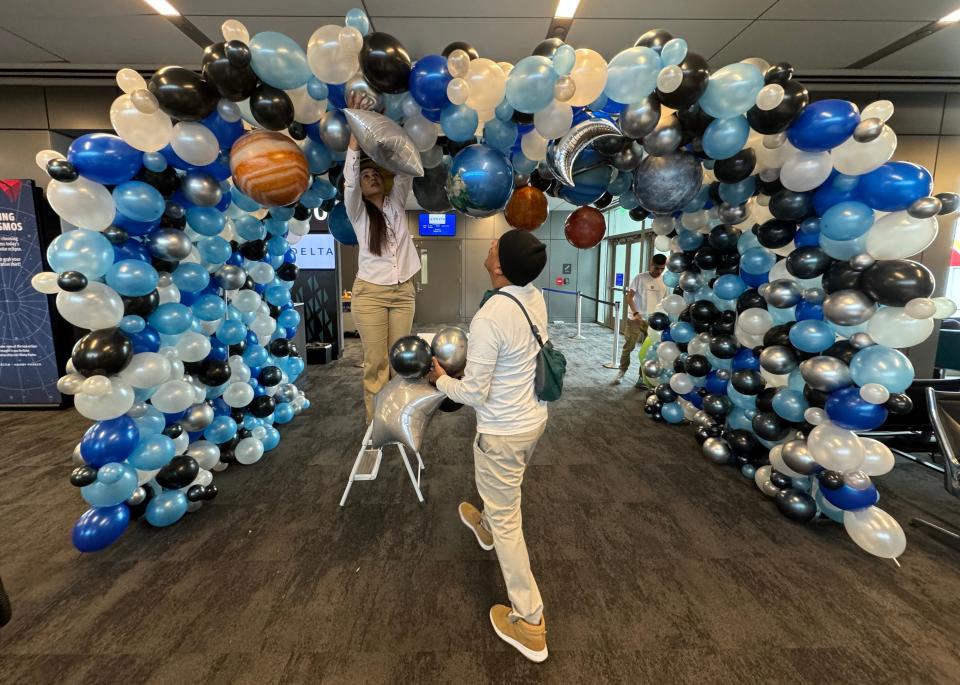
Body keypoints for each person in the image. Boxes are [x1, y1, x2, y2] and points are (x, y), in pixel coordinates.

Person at [428, 229, 550, 663]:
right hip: (533, 421)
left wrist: (439, 379)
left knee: (508, 518)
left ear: (499, 266)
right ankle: (487, 525)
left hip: (502, 431)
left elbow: (474, 393)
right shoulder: (532, 297)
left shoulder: (491, 316)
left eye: (496, 245)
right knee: (504, 490)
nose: (490, 246)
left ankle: (530, 621)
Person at [343, 92, 420, 423]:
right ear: (360, 188)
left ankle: (396, 418)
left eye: (375, 175)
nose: (372, 178)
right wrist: (356, 137)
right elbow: (348, 180)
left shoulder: (396, 204)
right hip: (371, 294)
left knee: (399, 358)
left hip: (403, 292)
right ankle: (376, 426)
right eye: (366, 177)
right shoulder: (358, 213)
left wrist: (392, 126)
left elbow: (403, 170)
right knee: (376, 362)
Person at [613, 253, 667, 387]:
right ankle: (622, 371)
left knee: (648, 350)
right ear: (651, 264)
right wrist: (636, 313)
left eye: (662, 268)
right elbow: (629, 297)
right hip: (635, 319)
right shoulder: (640, 277)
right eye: (656, 268)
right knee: (629, 347)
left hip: (654, 322)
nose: (659, 271)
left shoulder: (666, 281)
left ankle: (641, 377)